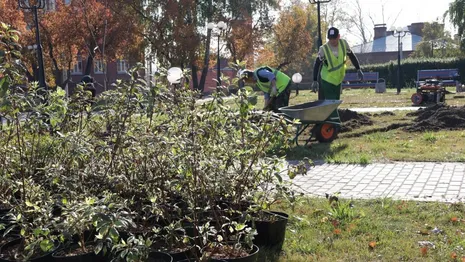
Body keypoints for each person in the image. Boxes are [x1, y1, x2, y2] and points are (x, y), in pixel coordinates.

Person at [312, 27, 364, 123]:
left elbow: (351, 56)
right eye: (330, 39)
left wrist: (358, 69)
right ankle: (335, 125)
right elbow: (317, 64)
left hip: (338, 79)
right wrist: (315, 80)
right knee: (331, 103)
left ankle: (328, 122)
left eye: (334, 38)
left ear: (338, 36)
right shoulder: (323, 49)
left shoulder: (344, 44)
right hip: (327, 79)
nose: (332, 41)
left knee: (335, 102)